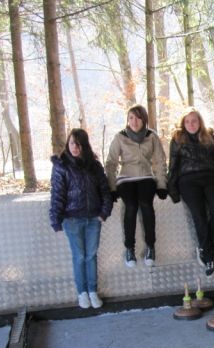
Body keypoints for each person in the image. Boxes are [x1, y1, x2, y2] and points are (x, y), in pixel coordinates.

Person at [49, 129, 113, 309]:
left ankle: (92, 291)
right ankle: (82, 293)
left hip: (93, 218)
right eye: (72, 143)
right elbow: (57, 194)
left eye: (78, 144)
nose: (75, 147)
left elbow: (105, 190)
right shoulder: (62, 166)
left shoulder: (94, 166)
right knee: (79, 256)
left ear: (84, 145)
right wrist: (55, 218)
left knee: (91, 255)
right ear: (67, 145)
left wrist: (104, 213)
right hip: (72, 219)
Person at [167, 108, 214, 276]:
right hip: (188, 180)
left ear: (200, 122)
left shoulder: (209, 136)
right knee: (199, 215)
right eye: (187, 121)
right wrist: (172, 188)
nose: (191, 124)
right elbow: (173, 165)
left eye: (194, 121)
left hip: (210, 178)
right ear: (183, 123)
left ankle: (204, 247)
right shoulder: (177, 138)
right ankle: (209, 257)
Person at [106, 104, 167, 268]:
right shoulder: (120, 137)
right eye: (131, 118)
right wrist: (112, 188)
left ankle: (150, 246)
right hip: (126, 178)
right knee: (131, 206)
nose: (134, 121)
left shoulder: (151, 136)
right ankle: (129, 248)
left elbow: (160, 161)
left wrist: (162, 185)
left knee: (146, 204)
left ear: (144, 120)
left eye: (138, 118)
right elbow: (111, 163)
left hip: (146, 176)